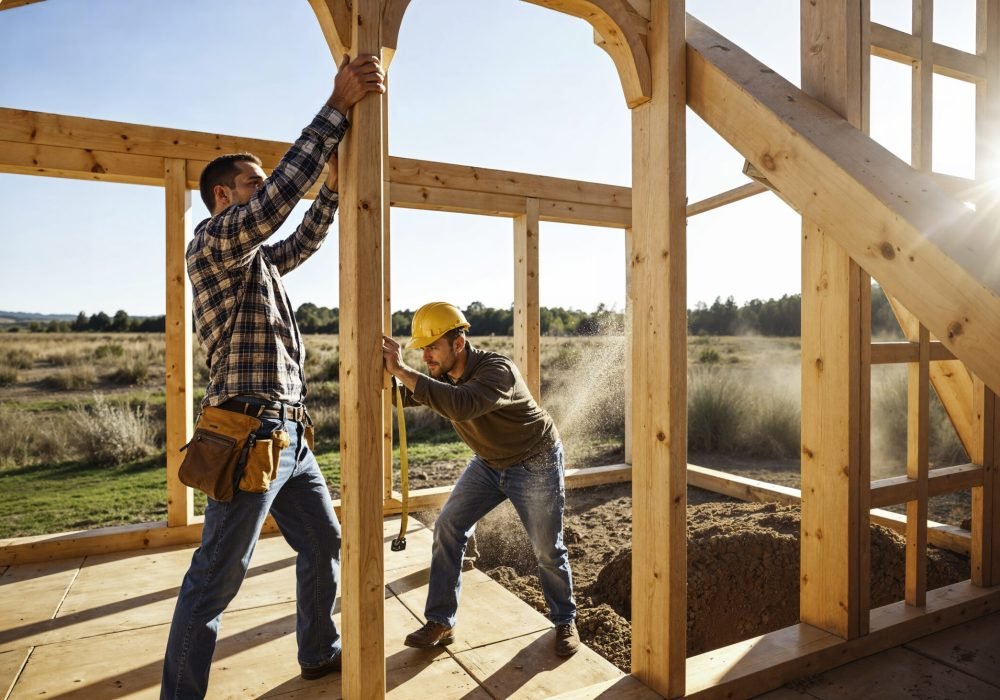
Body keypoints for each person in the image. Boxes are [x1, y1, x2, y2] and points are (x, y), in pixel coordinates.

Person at [161, 54, 385, 698]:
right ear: (223, 197)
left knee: (323, 542)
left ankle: (318, 652)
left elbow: (302, 237)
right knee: (215, 578)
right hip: (246, 433)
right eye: (252, 183)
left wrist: (335, 188)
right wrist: (336, 108)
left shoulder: (256, 263)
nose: (263, 190)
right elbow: (277, 209)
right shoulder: (212, 244)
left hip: (289, 438)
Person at [381, 302, 580, 657]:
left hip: (535, 461)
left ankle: (565, 619)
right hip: (489, 464)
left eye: (432, 347)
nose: (427, 356)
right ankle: (441, 621)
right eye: (423, 349)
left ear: (458, 344)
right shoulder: (442, 373)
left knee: (547, 548)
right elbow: (407, 395)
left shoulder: (497, 371)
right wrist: (383, 373)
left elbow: (461, 404)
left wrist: (401, 370)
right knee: (449, 526)